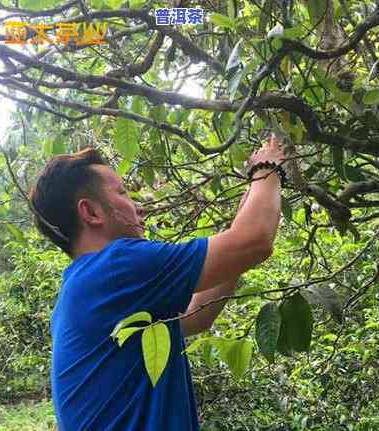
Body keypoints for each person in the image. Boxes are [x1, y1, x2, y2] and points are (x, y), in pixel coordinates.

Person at [28, 134, 285, 431]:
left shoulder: (85, 287)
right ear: (91, 212)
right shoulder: (116, 266)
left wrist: (243, 225)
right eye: (123, 193)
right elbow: (254, 242)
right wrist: (268, 166)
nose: (139, 208)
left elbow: (198, 313)